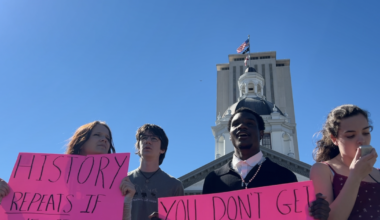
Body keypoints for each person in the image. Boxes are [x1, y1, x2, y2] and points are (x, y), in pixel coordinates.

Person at [203, 107, 330, 220]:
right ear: (229, 136)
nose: (242, 126)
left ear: (261, 134)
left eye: (249, 123)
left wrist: (315, 213)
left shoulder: (285, 176)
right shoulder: (213, 179)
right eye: (235, 124)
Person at [0, 121, 135, 220]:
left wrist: (126, 207)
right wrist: (3, 200)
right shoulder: (52, 176)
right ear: (81, 142)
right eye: (97, 135)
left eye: (108, 138)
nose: (104, 140)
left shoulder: (118, 185)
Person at [310, 104, 380, 219]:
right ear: (334, 139)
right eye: (351, 135)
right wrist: (356, 176)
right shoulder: (323, 170)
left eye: (366, 132)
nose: (362, 140)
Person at [128, 124, 184, 220]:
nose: (148, 141)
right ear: (138, 147)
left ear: (162, 149)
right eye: (143, 138)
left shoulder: (174, 186)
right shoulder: (124, 180)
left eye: (154, 138)